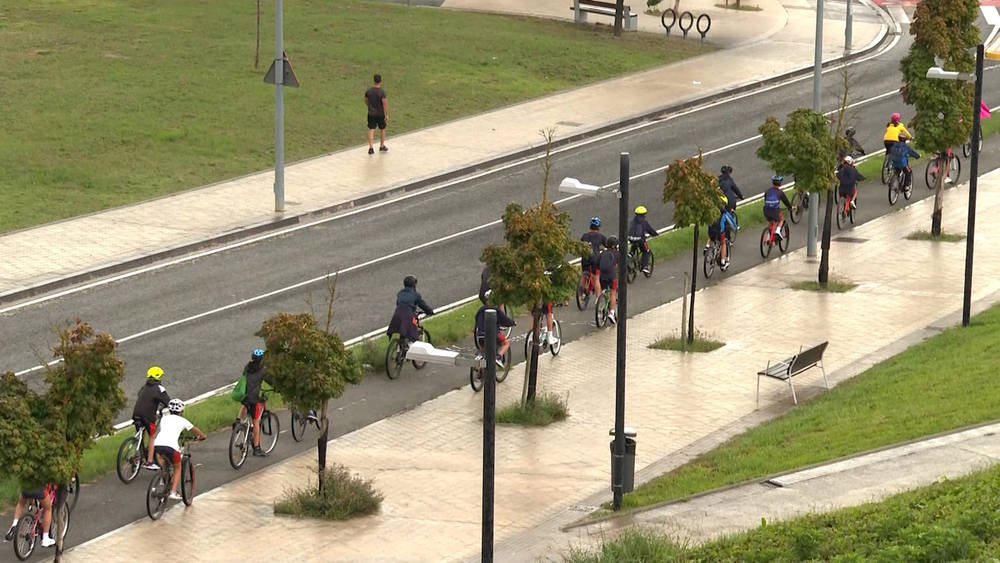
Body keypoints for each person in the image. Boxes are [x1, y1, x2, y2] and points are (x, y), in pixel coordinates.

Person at [152, 399, 205, 501]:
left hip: (157, 444)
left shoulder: (164, 419)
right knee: (178, 467)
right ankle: (173, 492)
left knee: (165, 459)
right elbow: (195, 430)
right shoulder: (182, 420)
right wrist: (202, 436)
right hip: (171, 446)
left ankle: (163, 477)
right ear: (181, 411)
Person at [234, 348, 273, 457]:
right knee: (256, 422)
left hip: (245, 396)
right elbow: (270, 381)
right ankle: (256, 447)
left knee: (245, 404)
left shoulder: (247, 367)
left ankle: (237, 421)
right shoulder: (263, 370)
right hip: (254, 398)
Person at [132, 366, 171, 470]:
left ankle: (138, 454)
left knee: (142, 433)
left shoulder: (144, 387)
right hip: (148, 416)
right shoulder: (159, 388)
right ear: (158, 377)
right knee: (152, 436)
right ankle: (149, 462)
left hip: (136, 413)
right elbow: (168, 402)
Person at [387, 276, 434, 350]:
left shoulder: (400, 293)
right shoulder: (416, 294)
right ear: (414, 285)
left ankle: (400, 350)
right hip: (408, 315)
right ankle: (410, 345)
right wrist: (430, 311)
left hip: (397, 314)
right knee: (413, 332)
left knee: (402, 328)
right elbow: (422, 304)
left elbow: (398, 303)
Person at [580, 217, 607, 297]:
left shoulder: (585, 236)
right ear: (598, 227)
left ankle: (580, 294)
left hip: (585, 257)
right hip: (595, 258)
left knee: (584, 276)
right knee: (596, 279)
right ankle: (597, 299)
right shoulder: (601, 236)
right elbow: (607, 245)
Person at [627, 206, 658, 275]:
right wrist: (656, 235)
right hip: (640, 239)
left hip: (631, 238)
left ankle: (630, 254)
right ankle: (645, 267)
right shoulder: (644, 222)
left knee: (634, 245)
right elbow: (650, 230)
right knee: (646, 251)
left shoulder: (632, 221)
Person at [598, 236, 620, 324]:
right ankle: (611, 312)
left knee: (603, 289)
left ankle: (601, 303)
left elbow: (598, 263)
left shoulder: (603, 253)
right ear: (615, 246)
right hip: (611, 276)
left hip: (602, 276)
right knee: (613, 292)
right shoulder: (617, 254)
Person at [365, 74, 389, 155]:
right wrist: (387, 114)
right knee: (382, 129)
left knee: (371, 129)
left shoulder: (369, 91)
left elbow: (366, 100)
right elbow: (385, 104)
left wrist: (369, 106)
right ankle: (381, 146)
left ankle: (371, 148)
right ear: (380, 81)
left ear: (374, 81)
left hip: (371, 112)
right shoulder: (382, 92)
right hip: (380, 113)